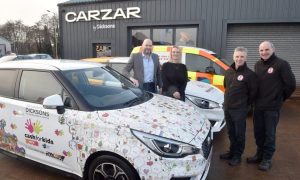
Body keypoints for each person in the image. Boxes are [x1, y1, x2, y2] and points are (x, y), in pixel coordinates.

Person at [247, 41, 296, 171]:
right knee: (259, 132)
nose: (264, 52)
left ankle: (267, 159)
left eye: (266, 49)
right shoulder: (257, 65)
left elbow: (291, 84)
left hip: (272, 108)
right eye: (261, 50)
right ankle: (259, 154)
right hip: (258, 106)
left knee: (270, 134)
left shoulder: (281, 64)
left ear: (273, 49)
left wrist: (279, 99)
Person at [220, 47, 257, 166]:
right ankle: (232, 151)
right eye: (237, 56)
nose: (239, 59)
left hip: (240, 110)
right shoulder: (229, 71)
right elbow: (226, 86)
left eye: (242, 56)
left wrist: (244, 106)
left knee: (239, 133)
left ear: (246, 58)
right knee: (230, 132)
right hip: (228, 108)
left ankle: (237, 155)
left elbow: (253, 93)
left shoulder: (250, 75)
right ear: (233, 57)